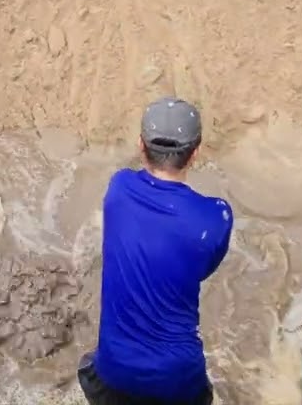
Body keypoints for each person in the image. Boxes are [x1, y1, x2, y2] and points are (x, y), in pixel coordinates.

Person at [79, 97, 233, 405]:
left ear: (141, 144)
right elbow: (202, 270)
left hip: (114, 373)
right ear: (195, 154)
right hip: (178, 381)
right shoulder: (216, 217)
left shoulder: (118, 189)